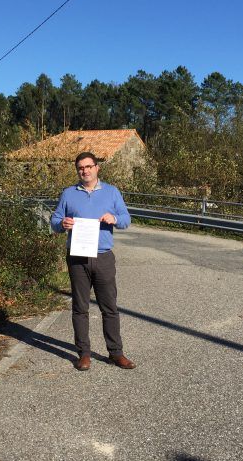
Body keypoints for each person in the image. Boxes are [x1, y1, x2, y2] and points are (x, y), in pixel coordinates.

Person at [51, 152, 136, 371]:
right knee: (80, 308)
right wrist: (63, 224)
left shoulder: (112, 192)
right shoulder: (69, 194)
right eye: (80, 167)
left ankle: (116, 353)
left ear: (97, 168)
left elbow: (126, 219)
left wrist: (114, 219)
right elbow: (55, 220)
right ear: (77, 170)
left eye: (88, 166)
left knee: (109, 307)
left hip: (103, 257)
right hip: (78, 257)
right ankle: (84, 354)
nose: (84, 171)